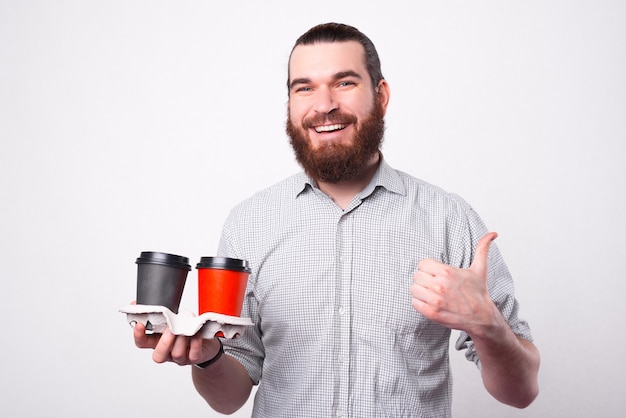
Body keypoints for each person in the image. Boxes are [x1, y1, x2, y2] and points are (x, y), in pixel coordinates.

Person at [133, 22, 540, 417]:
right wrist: (209, 357)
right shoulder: (249, 223)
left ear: (380, 95)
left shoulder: (448, 219)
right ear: (290, 103)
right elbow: (229, 399)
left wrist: (489, 325)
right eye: (304, 87)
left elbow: (520, 392)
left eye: (344, 82)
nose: (323, 104)